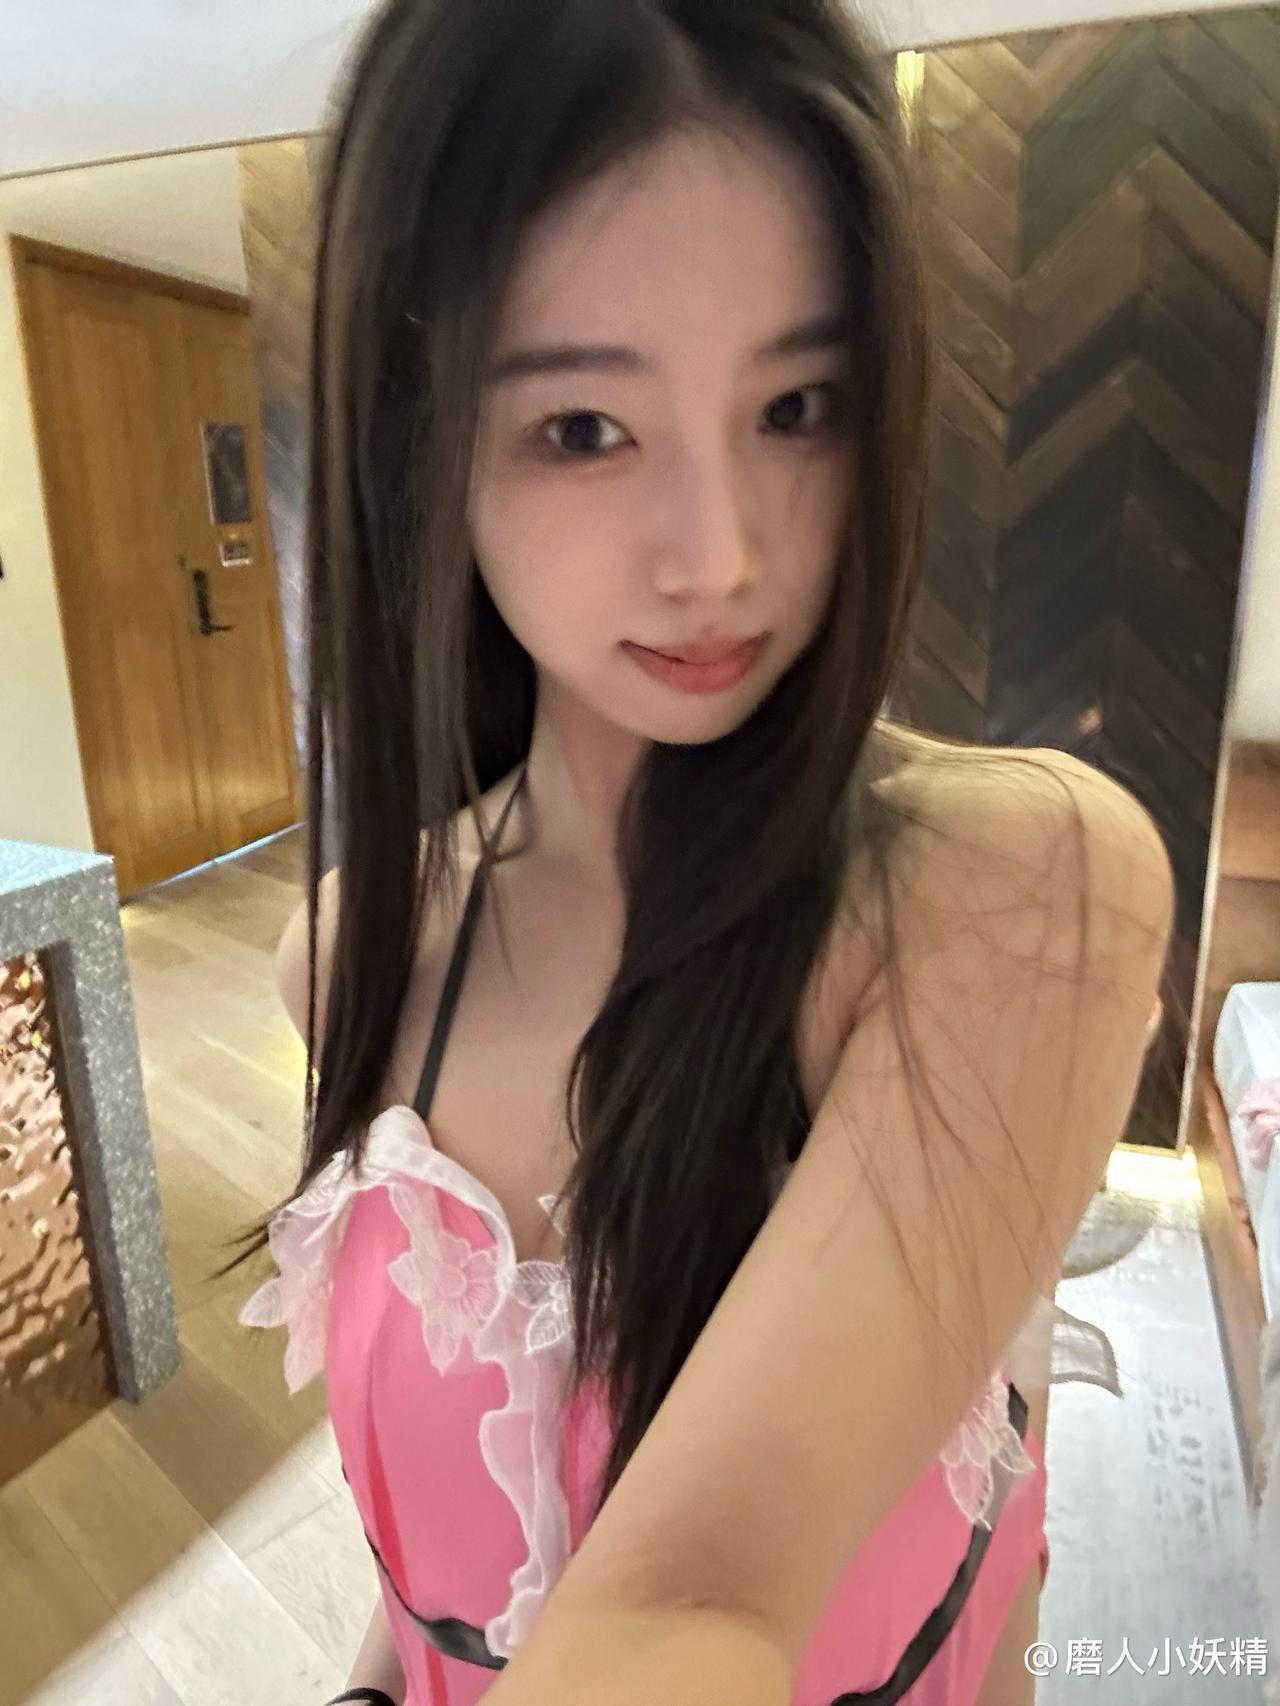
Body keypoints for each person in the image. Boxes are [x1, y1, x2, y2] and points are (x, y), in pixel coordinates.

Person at [218, 1, 1175, 1702]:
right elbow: (461, 1569)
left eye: (796, 405)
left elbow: (695, 1599)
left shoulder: (1014, 890)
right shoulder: (357, 953)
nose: (720, 555)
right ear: (422, 446)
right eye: (585, 427)